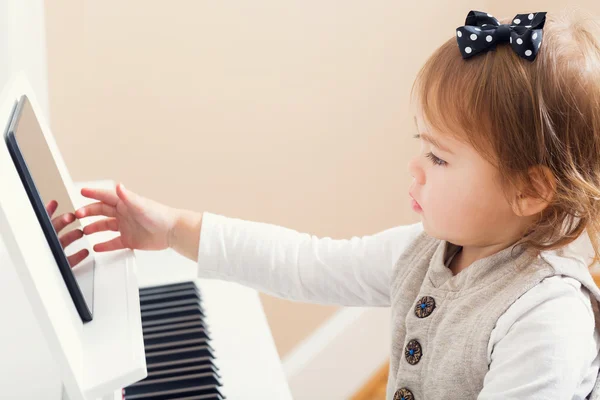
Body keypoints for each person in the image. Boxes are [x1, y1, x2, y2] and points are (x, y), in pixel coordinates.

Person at [72, 9, 600, 400]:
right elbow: (305, 263)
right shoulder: (424, 251)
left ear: (529, 190)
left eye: (438, 158)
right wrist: (173, 230)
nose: (414, 167)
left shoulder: (547, 319)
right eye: (421, 144)